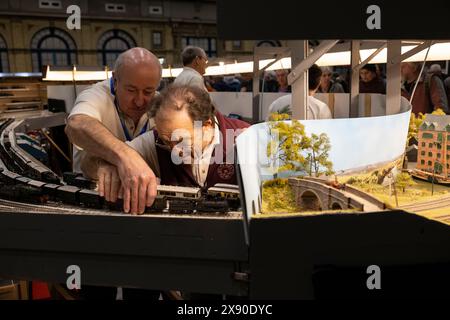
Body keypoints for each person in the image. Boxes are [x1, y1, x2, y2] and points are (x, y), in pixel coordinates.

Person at [88, 84, 250, 203]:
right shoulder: (156, 140)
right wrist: (111, 162)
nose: (175, 151)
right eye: (167, 141)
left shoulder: (245, 138)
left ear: (206, 126)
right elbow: (91, 163)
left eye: (181, 140)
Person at [65, 47, 161, 215]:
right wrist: (125, 157)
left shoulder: (160, 103)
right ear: (115, 80)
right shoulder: (96, 95)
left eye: (148, 91)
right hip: (91, 201)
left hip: (145, 202)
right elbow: (76, 124)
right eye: (131, 90)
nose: (139, 101)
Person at [266, 64, 332, 120]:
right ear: (319, 82)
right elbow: (327, 133)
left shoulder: (276, 104)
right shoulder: (322, 108)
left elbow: (267, 129)